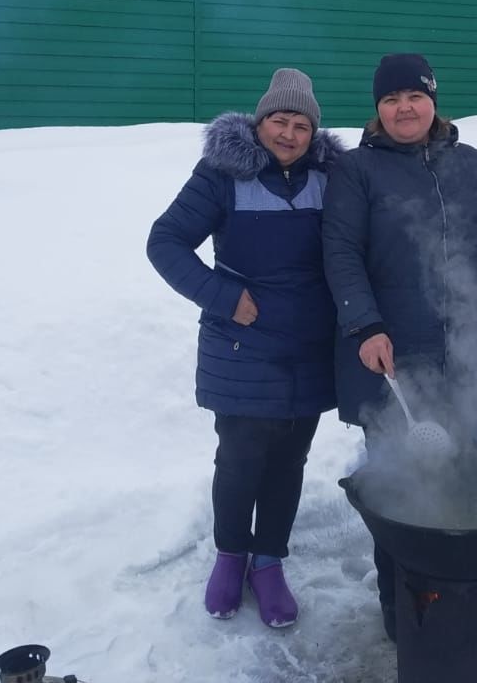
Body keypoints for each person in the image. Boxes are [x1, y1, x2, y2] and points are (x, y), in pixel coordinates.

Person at [146, 68, 344, 629]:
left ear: (314, 131)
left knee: (289, 461)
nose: (289, 133)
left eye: (301, 124)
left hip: (308, 346)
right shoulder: (222, 173)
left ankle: (270, 560)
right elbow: (165, 242)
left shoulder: (331, 176)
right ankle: (231, 555)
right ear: (259, 123)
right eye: (279, 121)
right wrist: (224, 296)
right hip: (241, 343)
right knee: (239, 459)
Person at [322, 53, 477, 642]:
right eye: (391, 99)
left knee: (461, 478)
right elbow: (340, 254)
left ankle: (457, 595)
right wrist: (365, 326)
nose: (404, 108)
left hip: (464, 355)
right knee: (400, 492)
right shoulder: (357, 170)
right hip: (392, 357)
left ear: (433, 100)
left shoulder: (470, 163)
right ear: (377, 110)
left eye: (414, 96)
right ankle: (403, 611)